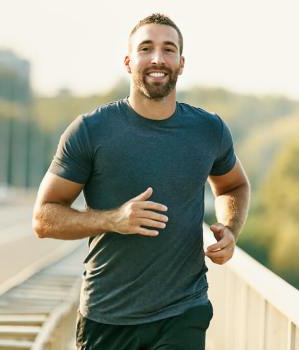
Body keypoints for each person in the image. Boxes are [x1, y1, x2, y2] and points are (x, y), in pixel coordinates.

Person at [32, 13, 250, 350]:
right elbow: (44, 217)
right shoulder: (90, 131)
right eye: (146, 48)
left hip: (183, 311)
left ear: (181, 62)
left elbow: (233, 185)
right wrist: (113, 219)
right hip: (108, 316)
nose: (158, 59)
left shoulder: (209, 130)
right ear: (128, 61)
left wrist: (230, 229)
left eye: (168, 49)